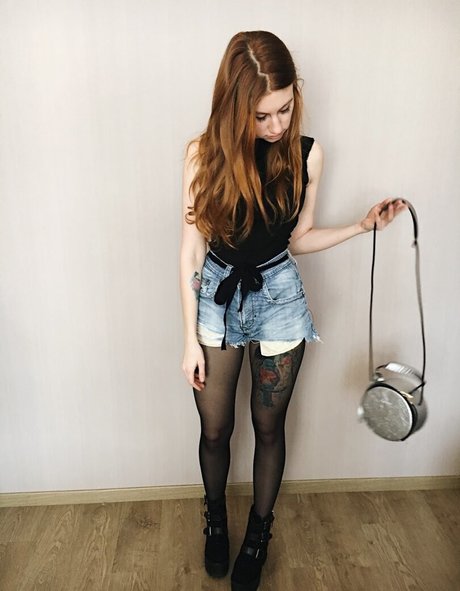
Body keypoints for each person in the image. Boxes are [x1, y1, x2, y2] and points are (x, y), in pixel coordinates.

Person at [180, 30, 406, 591]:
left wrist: (362, 226)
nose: (277, 125)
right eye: (262, 115)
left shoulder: (307, 154)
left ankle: (258, 535)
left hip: (279, 297)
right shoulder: (202, 154)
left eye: (285, 109)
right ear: (235, 108)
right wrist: (188, 339)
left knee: (268, 426)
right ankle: (216, 520)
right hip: (218, 296)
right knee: (215, 429)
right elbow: (191, 249)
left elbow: (297, 239)